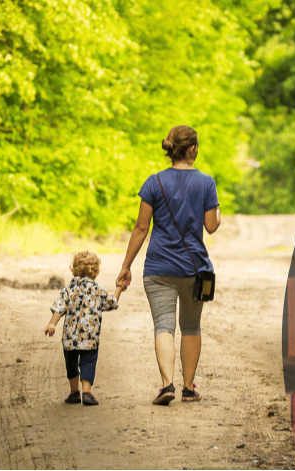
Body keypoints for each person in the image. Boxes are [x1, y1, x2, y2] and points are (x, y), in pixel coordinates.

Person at [116, 125, 221, 406]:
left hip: (158, 268)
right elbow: (211, 227)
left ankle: (167, 385)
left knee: (163, 325)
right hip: (195, 270)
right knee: (191, 326)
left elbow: (140, 228)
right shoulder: (206, 183)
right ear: (192, 149)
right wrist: (217, 213)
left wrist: (126, 266)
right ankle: (188, 387)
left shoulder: (154, 182)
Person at [45, 251, 124, 406]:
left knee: (71, 364)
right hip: (90, 337)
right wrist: (119, 288)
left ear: (73, 269)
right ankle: (87, 393)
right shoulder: (98, 290)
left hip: (70, 339)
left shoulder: (69, 289)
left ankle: (75, 392)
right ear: (95, 272)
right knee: (88, 362)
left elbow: (59, 307)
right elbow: (112, 303)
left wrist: (52, 323)